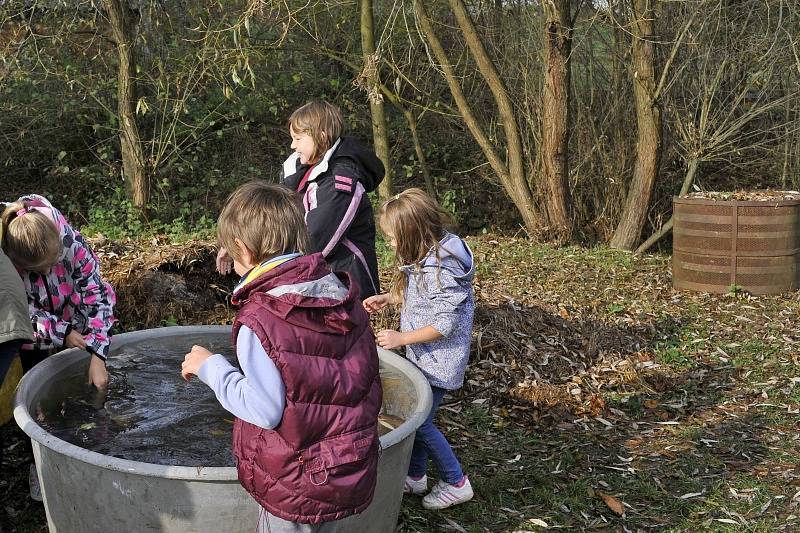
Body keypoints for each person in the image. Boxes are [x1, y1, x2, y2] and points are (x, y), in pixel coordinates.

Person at [182, 181, 382, 533]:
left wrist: (211, 368)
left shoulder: (261, 320)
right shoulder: (339, 292)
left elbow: (265, 409)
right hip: (349, 464)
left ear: (242, 250)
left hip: (297, 479)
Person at [363, 188, 475, 510]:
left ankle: (456, 482)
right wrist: (389, 298)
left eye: (393, 238)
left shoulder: (443, 268)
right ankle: (416, 476)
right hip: (426, 357)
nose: (391, 245)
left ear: (412, 234)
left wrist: (401, 339)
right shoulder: (429, 257)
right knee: (422, 414)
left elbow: (444, 325)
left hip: (439, 360)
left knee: (421, 422)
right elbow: (420, 296)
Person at [216, 100, 384, 300]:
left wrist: (262, 265)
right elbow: (270, 214)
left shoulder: (340, 183)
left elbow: (315, 242)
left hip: (343, 290)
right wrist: (236, 241)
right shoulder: (300, 171)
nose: (292, 145)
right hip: (312, 285)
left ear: (321, 136)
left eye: (297, 138)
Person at [0, 194, 115, 389]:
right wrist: (62, 331)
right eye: (36, 271)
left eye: (52, 264)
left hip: (74, 313)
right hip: (36, 331)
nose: (46, 272)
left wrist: (98, 354)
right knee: (35, 379)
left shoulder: (73, 245)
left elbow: (98, 297)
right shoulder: (8, 265)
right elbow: (20, 312)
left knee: (82, 371)